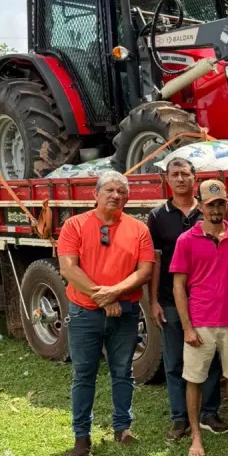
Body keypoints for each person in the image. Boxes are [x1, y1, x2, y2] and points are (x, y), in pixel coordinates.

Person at [57, 171, 155, 456]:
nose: (116, 195)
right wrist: (104, 297)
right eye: (110, 190)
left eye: (121, 191)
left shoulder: (138, 229)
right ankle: (81, 438)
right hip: (85, 314)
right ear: (95, 194)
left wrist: (114, 293)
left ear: (128, 197)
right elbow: (68, 269)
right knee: (84, 374)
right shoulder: (74, 225)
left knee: (123, 372)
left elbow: (145, 271)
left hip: (124, 312)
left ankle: (122, 428)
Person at [171, 179, 228, 456]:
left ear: (227, 204)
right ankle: (196, 436)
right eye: (210, 204)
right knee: (194, 380)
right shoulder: (186, 240)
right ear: (200, 206)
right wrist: (187, 327)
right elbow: (178, 287)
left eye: (220, 203)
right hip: (200, 323)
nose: (216, 209)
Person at [147, 158, 228, 440]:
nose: (180, 179)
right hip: (171, 298)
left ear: (195, 178)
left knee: (210, 359)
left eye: (185, 174)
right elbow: (155, 260)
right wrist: (154, 300)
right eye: (174, 174)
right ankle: (179, 418)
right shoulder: (158, 215)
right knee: (174, 362)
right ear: (166, 180)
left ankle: (209, 413)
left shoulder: (209, 210)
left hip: (206, 300)